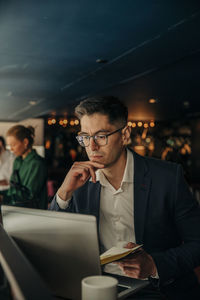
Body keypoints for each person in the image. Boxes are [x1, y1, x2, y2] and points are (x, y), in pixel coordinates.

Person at [50, 96, 200, 299]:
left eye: (101, 136)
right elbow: (53, 242)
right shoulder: (79, 183)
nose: (91, 147)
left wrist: (154, 265)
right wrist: (63, 193)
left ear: (125, 134)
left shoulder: (167, 177)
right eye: (85, 136)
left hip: (157, 287)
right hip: (99, 285)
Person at [0, 125, 48, 209]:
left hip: (34, 213)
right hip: (18, 209)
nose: (11, 149)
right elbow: (13, 189)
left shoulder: (37, 163)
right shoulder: (17, 161)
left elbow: (29, 196)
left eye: (13, 145)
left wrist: (3, 198)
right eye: (9, 146)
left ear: (25, 142)